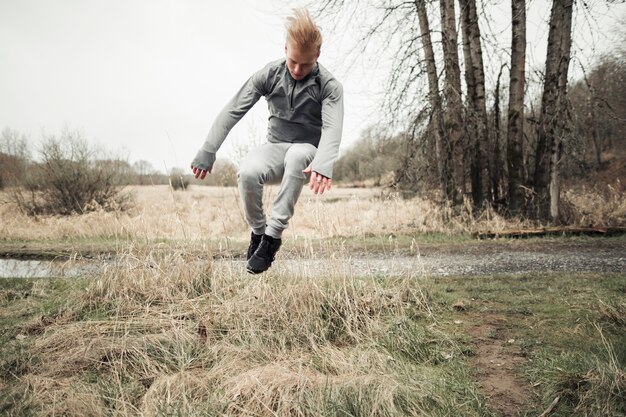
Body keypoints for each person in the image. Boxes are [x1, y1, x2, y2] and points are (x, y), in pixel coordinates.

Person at [191, 9, 344, 274]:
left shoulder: (329, 86)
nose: (297, 70)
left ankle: (272, 238)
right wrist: (208, 150)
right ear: (285, 48)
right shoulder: (269, 74)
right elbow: (233, 109)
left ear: (317, 55)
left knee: (297, 155)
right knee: (248, 171)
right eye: (293, 61)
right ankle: (259, 235)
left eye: (305, 64)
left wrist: (324, 162)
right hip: (275, 147)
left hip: (307, 151)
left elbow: (332, 128)